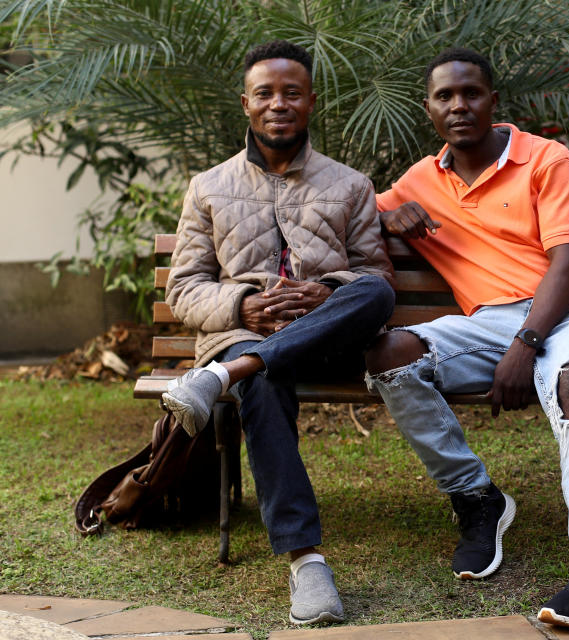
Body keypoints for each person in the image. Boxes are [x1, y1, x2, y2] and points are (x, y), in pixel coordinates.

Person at [365, 47, 569, 630]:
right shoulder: (419, 180)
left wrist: (527, 342)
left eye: (471, 93)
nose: (459, 105)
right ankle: (478, 499)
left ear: (493, 101)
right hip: (485, 323)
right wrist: (387, 217)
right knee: (389, 357)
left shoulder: (545, 158)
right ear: (429, 109)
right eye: (445, 96)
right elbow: (356, 210)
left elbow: (566, 265)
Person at [161, 40, 395, 626]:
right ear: (246, 103)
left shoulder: (350, 184)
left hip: (327, 340)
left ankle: (220, 379)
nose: (278, 103)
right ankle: (306, 561)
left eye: (292, 92)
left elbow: (374, 277)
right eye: (265, 93)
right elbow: (184, 287)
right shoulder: (208, 187)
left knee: (376, 292)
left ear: (310, 102)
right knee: (262, 380)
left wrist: (328, 291)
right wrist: (242, 305)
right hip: (244, 337)